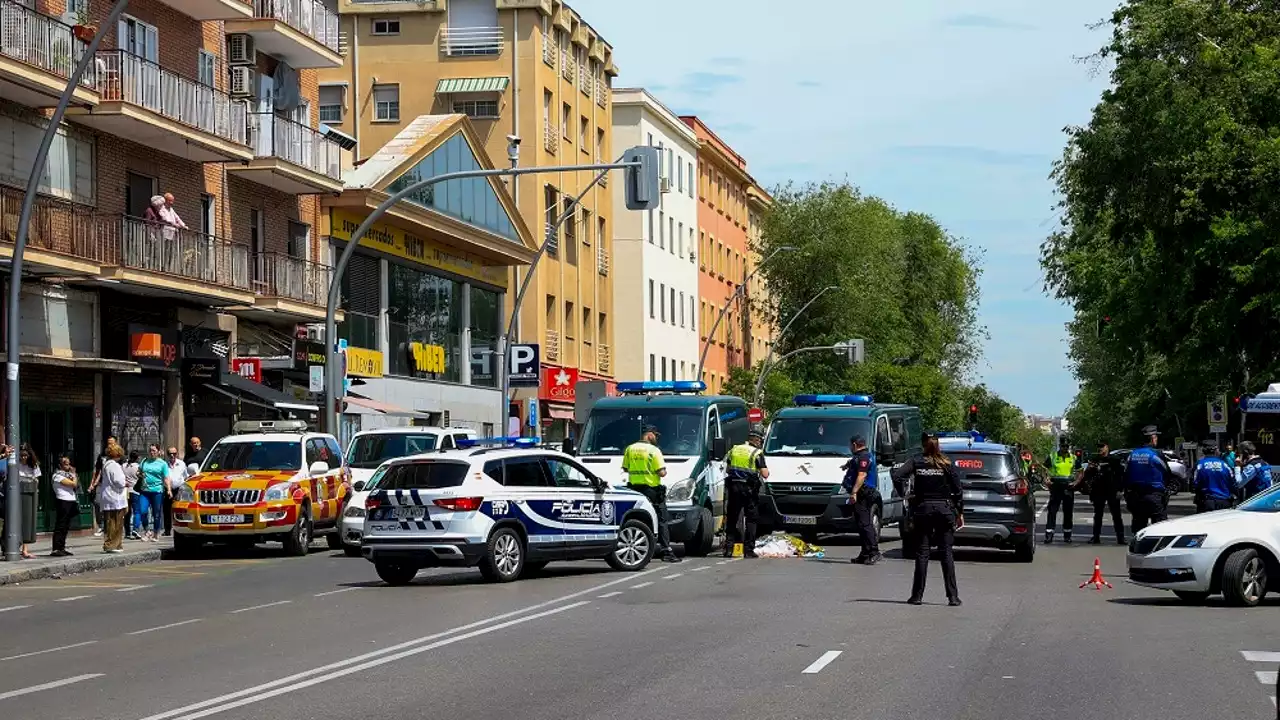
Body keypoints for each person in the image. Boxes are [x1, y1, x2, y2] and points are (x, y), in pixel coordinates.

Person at [892, 433, 963, 606]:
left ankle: (917, 596)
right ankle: (952, 597)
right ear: (938, 445)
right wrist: (959, 512)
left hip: (923, 509)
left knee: (922, 553)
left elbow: (897, 475)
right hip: (943, 509)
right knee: (946, 553)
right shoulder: (946, 463)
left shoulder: (916, 461)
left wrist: (906, 495)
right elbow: (958, 490)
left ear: (923, 444)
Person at [621, 424, 680, 563]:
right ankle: (666, 551)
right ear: (649, 434)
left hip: (634, 490)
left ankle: (634, 545)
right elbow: (662, 472)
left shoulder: (630, 449)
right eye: (655, 435)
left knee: (635, 519)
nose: (656, 438)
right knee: (661, 520)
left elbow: (625, 468)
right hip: (651, 491)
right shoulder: (654, 450)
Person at [722, 425, 767, 559]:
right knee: (751, 520)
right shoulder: (757, 453)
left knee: (732, 518)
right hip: (749, 490)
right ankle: (748, 550)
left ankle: (729, 549)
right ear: (757, 440)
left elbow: (727, 468)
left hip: (733, 488)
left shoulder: (734, 449)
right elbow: (765, 474)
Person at [1124, 425, 1172, 533]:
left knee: (1139, 529)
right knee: (1160, 528)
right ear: (1152, 438)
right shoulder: (1156, 454)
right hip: (1154, 496)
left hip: (1135, 497)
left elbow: (1126, 474)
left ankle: (1138, 548)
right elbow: (1167, 472)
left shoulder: (1132, 454)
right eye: (1156, 437)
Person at [844, 435, 881, 565]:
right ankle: (865, 553)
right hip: (862, 492)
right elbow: (855, 464)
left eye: (850, 445)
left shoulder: (864, 457)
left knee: (865, 524)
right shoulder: (861, 456)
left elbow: (862, 475)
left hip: (863, 493)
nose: (849, 447)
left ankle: (874, 551)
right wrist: (847, 465)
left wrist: (854, 492)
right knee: (861, 523)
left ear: (854, 444)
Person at [1086, 442, 1125, 545]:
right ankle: (1096, 537)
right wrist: (1090, 469)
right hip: (1099, 491)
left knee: (1116, 515)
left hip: (1112, 490)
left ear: (1107, 447)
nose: (1100, 449)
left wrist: (1120, 490)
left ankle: (1120, 538)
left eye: (1102, 447)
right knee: (1098, 515)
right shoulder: (1095, 460)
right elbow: (1088, 475)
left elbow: (1120, 475)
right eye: (1099, 447)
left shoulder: (1114, 460)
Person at [1044, 445, 1080, 544]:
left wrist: (1076, 482)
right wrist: (1046, 479)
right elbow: (1044, 468)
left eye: (1066, 446)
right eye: (1063, 446)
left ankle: (1067, 536)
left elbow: (1080, 471)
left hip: (1068, 487)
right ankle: (1049, 535)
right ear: (1060, 446)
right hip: (1056, 486)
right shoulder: (1053, 456)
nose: (1065, 448)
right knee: (1052, 511)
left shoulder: (1073, 457)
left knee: (1068, 512)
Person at [99, 444, 129, 554]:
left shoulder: (106, 464)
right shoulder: (114, 466)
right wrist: (125, 483)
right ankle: (113, 544)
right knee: (116, 522)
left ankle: (115, 544)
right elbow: (118, 481)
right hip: (115, 497)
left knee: (110, 522)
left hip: (108, 496)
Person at [87, 436, 119, 538]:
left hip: (114, 485)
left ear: (116, 443)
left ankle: (111, 528)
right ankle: (101, 526)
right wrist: (92, 484)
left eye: (112, 443)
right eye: (108, 443)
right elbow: (97, 471)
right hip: (102, 484)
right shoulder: (102, 455)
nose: (110, 445)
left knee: (112, 507)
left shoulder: (119, 456)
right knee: (98, 503)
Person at [137, 444, 169, 542]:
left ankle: (156, 533)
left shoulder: (162, 463)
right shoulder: (144, 461)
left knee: (156, 514)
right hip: (145, 490)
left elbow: (166, 478)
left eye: (154, 451)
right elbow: (138, 472)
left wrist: (169, 489)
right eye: (150, 450)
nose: (152, 452)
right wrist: (139, 474)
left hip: (157, 491)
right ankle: (147, 531)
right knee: (143, 511)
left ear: (158, 452)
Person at [1192, 442, 1234, 513]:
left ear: (1203, 451)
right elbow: (1233, 482)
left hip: (1206, 502)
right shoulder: (1225, 464)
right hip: (1224, 501)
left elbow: (1194, 483)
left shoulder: (1199, 464)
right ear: (1216, 451)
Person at [50, 455, 79, 557]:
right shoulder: (57, 476)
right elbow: (73, 484)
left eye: (69, 463)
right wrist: (74, 474)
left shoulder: (68, 475)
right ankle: (56, 548)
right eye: (65, 464)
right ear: (60, 465)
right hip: (63, 501)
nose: (68, 466)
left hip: (70, 500)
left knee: (66, 526)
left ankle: (62, 547)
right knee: (60, 525)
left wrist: (73, 475)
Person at [15, 444, 39, 559]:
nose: (23, 458)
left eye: (25, 455)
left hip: (30, 493)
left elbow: (36, 479)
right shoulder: (15, 465)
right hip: (18, 494)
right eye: (21, 455)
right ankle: (15, 548)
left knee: (27, 521)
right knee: (17, 520)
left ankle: (25, 549)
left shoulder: (33, 466)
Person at [163, 446, 188, 536]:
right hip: (168, 489)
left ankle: (180, 529)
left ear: (177, 454)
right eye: (170, 454)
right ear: (167, 454)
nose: (172, 455)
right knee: (167, 510)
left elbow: (186, 476)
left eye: (174, 453)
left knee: (179, 509)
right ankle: (167, 530)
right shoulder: (164, 465)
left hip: (179, 489)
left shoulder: (182, 464)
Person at [123, 450, 141, 540]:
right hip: (135, 491)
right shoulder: (138, 467)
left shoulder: (124, 466)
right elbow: (142, 477)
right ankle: (135, 530)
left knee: (127, 512)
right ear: (137, 458)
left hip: (126, 491)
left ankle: (127, 532)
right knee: (137, 511)